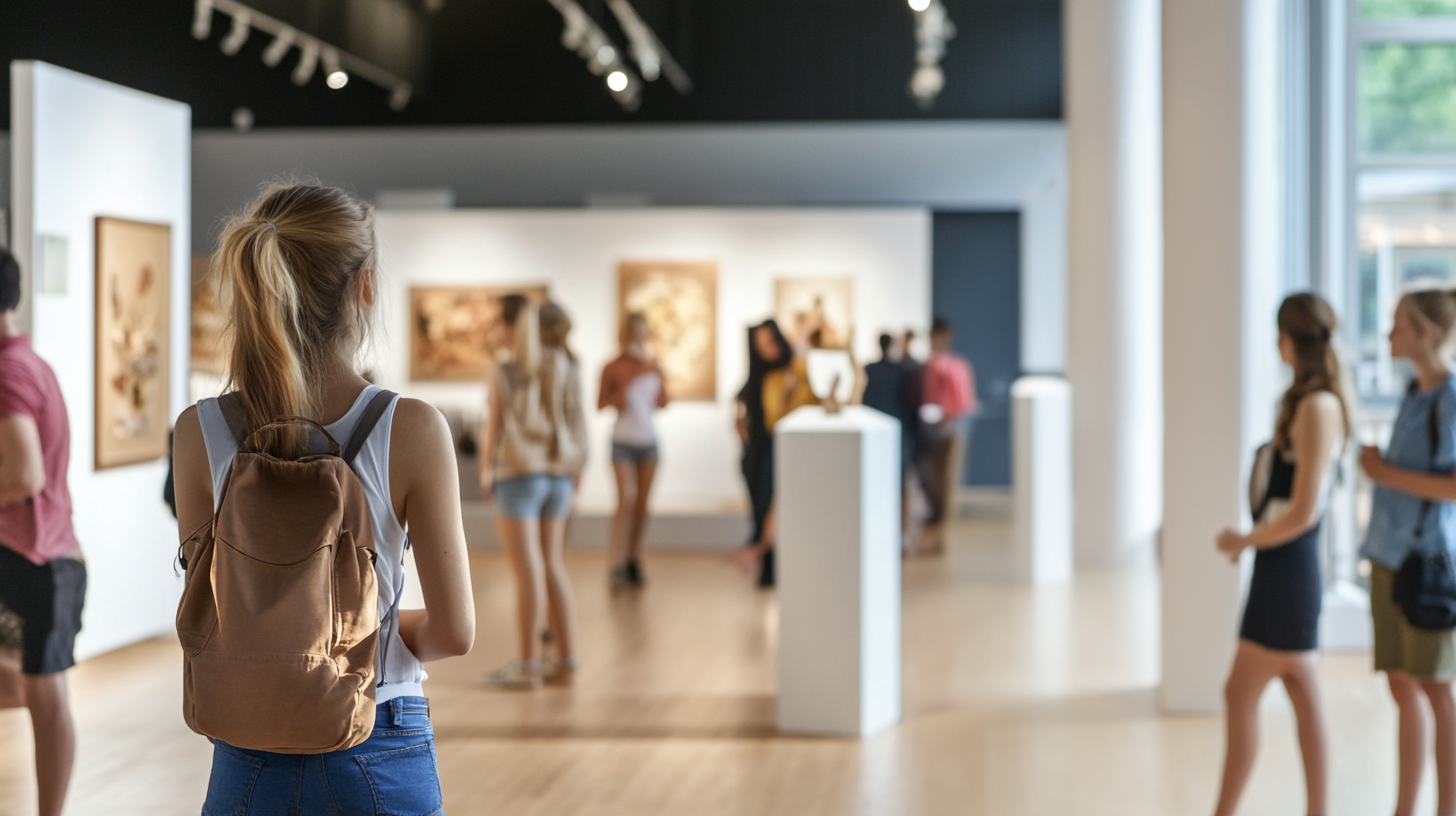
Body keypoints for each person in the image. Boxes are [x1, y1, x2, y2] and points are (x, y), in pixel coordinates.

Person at [172, 182, 476, 814]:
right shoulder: (412, 428)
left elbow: (210, 610)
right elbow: (455, 632)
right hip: (379, 738)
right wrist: (363, 633)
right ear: (364, 288)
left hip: (246, 753)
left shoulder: (200, 431)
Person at [1211, 293, 1347, 816]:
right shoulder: (1309, 401)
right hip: (1284, 565)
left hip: (1289, 567)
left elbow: (1303, 511)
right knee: (1300, 689)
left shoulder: (1317, 406)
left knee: (1245, 691)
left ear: (1288, 339)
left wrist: (1244, 542)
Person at [1359, 286, 1456, 816]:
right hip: (1387, 556)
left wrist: (1383, 473)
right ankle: (1405, 808)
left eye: (1399, 324)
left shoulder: (1450, 398)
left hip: (1426, 561)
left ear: (1428, 335)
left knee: (1436, 689)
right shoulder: (1411, 393)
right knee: (1402, 686)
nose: (1389, 333)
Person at [0, 247, 84, 816]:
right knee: (33, 691)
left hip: (35, 560)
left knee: (45, 699)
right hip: (48, 556)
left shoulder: (7, 372)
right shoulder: (30, 363)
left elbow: (24, 472)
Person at [480, 301, 588, 688]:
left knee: (527, 573)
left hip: (518, 475)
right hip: (559, 474)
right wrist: (578, 469)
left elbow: (493, 425)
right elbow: (578, 421)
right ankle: (567, 660)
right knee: (554, 566)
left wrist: (485, 473)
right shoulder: (568, 366)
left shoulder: (506, 367)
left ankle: (527, 666)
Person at [598, 313, 669, 592]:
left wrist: (659, 379)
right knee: (625, 500)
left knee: (642, 505)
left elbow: (662, 402)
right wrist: (628, 383)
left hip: (649, 441)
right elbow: (602, 402)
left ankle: (633, 558)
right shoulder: (613, 366)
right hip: (623, 441)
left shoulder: (653, 365)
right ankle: (615, 561)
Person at [735, 320, 794, 588]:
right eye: (760, 344)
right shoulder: (757, 377)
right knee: (760, 507)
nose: (766, 349)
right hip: (754, 449)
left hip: (775, 446)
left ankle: (768, 559)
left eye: (769, 341)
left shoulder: (789, 374)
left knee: (770, 504)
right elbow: (740, 401)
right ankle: (764, 560)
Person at [916, 317, 977, 553]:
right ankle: (930, 530)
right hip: (928, 432)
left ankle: (939, 533)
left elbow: (963, 402)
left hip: (950, 430)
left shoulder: (956, 366)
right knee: (930, 482)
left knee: (946, 481)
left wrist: (946, 418)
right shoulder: (925, 366)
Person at [863, 332, 920, 547]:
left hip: (882, 435)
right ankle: (900, 535)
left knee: (886, 484)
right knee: (899, 486)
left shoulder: (873, 370)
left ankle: (891, 533)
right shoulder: (902, 370)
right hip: (898, 433)